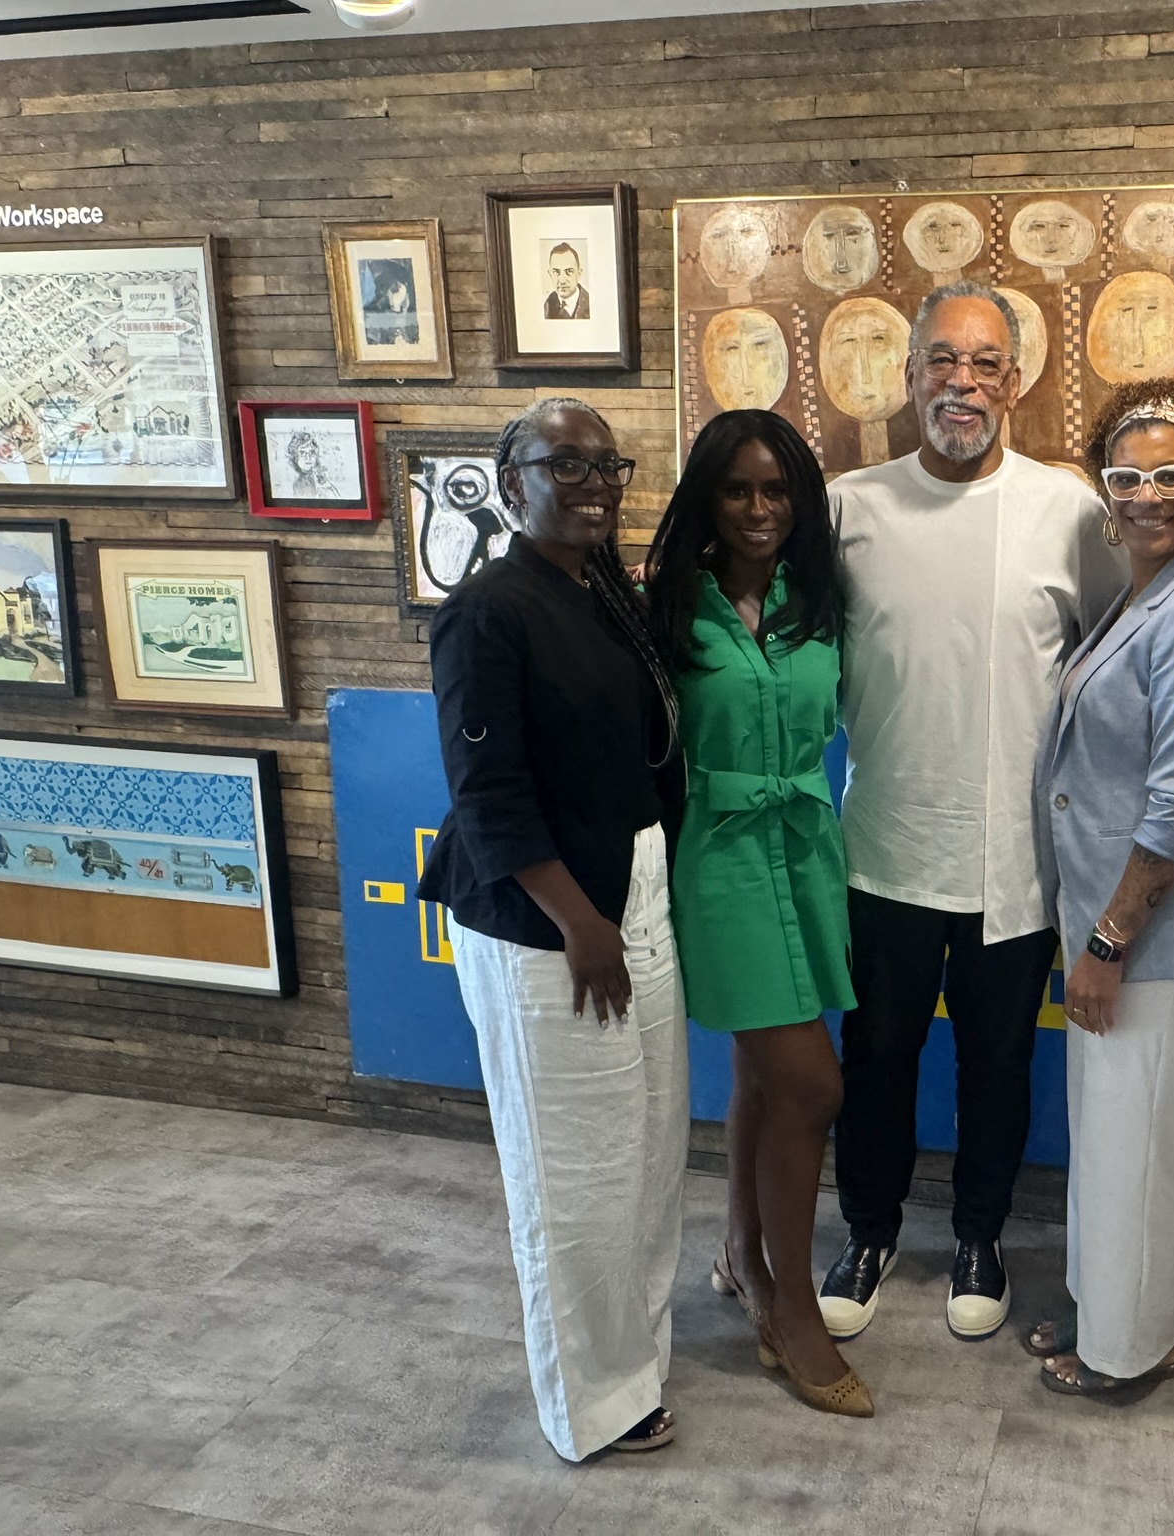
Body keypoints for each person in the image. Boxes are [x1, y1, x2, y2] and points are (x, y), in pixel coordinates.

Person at [823, 280, 1123, 1343]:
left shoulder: (1070, 510)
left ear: (1016, 381)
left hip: (1017, 863)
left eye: (986, 362)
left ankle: (981, 1235)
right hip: (882, 852)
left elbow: (1118, 654)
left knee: (996, 1069)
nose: (963, 381)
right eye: (941, 360)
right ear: (907, 380)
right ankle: (865, 1230)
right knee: (875, 1062)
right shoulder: (847, 506)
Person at [417, 397, 688, 1462]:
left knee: (650, 1154)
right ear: (509, 478)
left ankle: (640, 1356)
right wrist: (578, 922)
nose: (590, 484)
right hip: (549, 925)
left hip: (635, 896)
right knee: (572, 1174)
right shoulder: (486, 611)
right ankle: (594, 1403)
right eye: (562, 464)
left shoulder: (602, 590)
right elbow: (486, 791)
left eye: (605, 466)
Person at [1026, 379, 1174, 1397]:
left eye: (1172, 475)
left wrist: (1110, 942)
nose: (1147, 494)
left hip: (1155, 937)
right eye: (1126, 475)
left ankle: (1128, 1350)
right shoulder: (1145, 591)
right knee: (1115, 1133)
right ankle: (1108, 1310)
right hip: (1118, 925)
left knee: (1137, 1145)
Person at [643, 409, 871, 1419]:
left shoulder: (816, 599)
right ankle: (789, 1310)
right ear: (706, 497)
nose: (759, 508)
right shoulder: (667, 607)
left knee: (762, 1075)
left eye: (777, 489)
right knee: (811, 1087)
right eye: (737, 488)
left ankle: (741, 1250)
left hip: (807, 846)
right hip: (721, 854)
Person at [545, 243, 592, 320]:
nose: (562, 281)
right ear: (550, 274)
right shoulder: (547, 306)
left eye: (569, 271)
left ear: (579, 274)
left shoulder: (591, 305)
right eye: (556, 272)